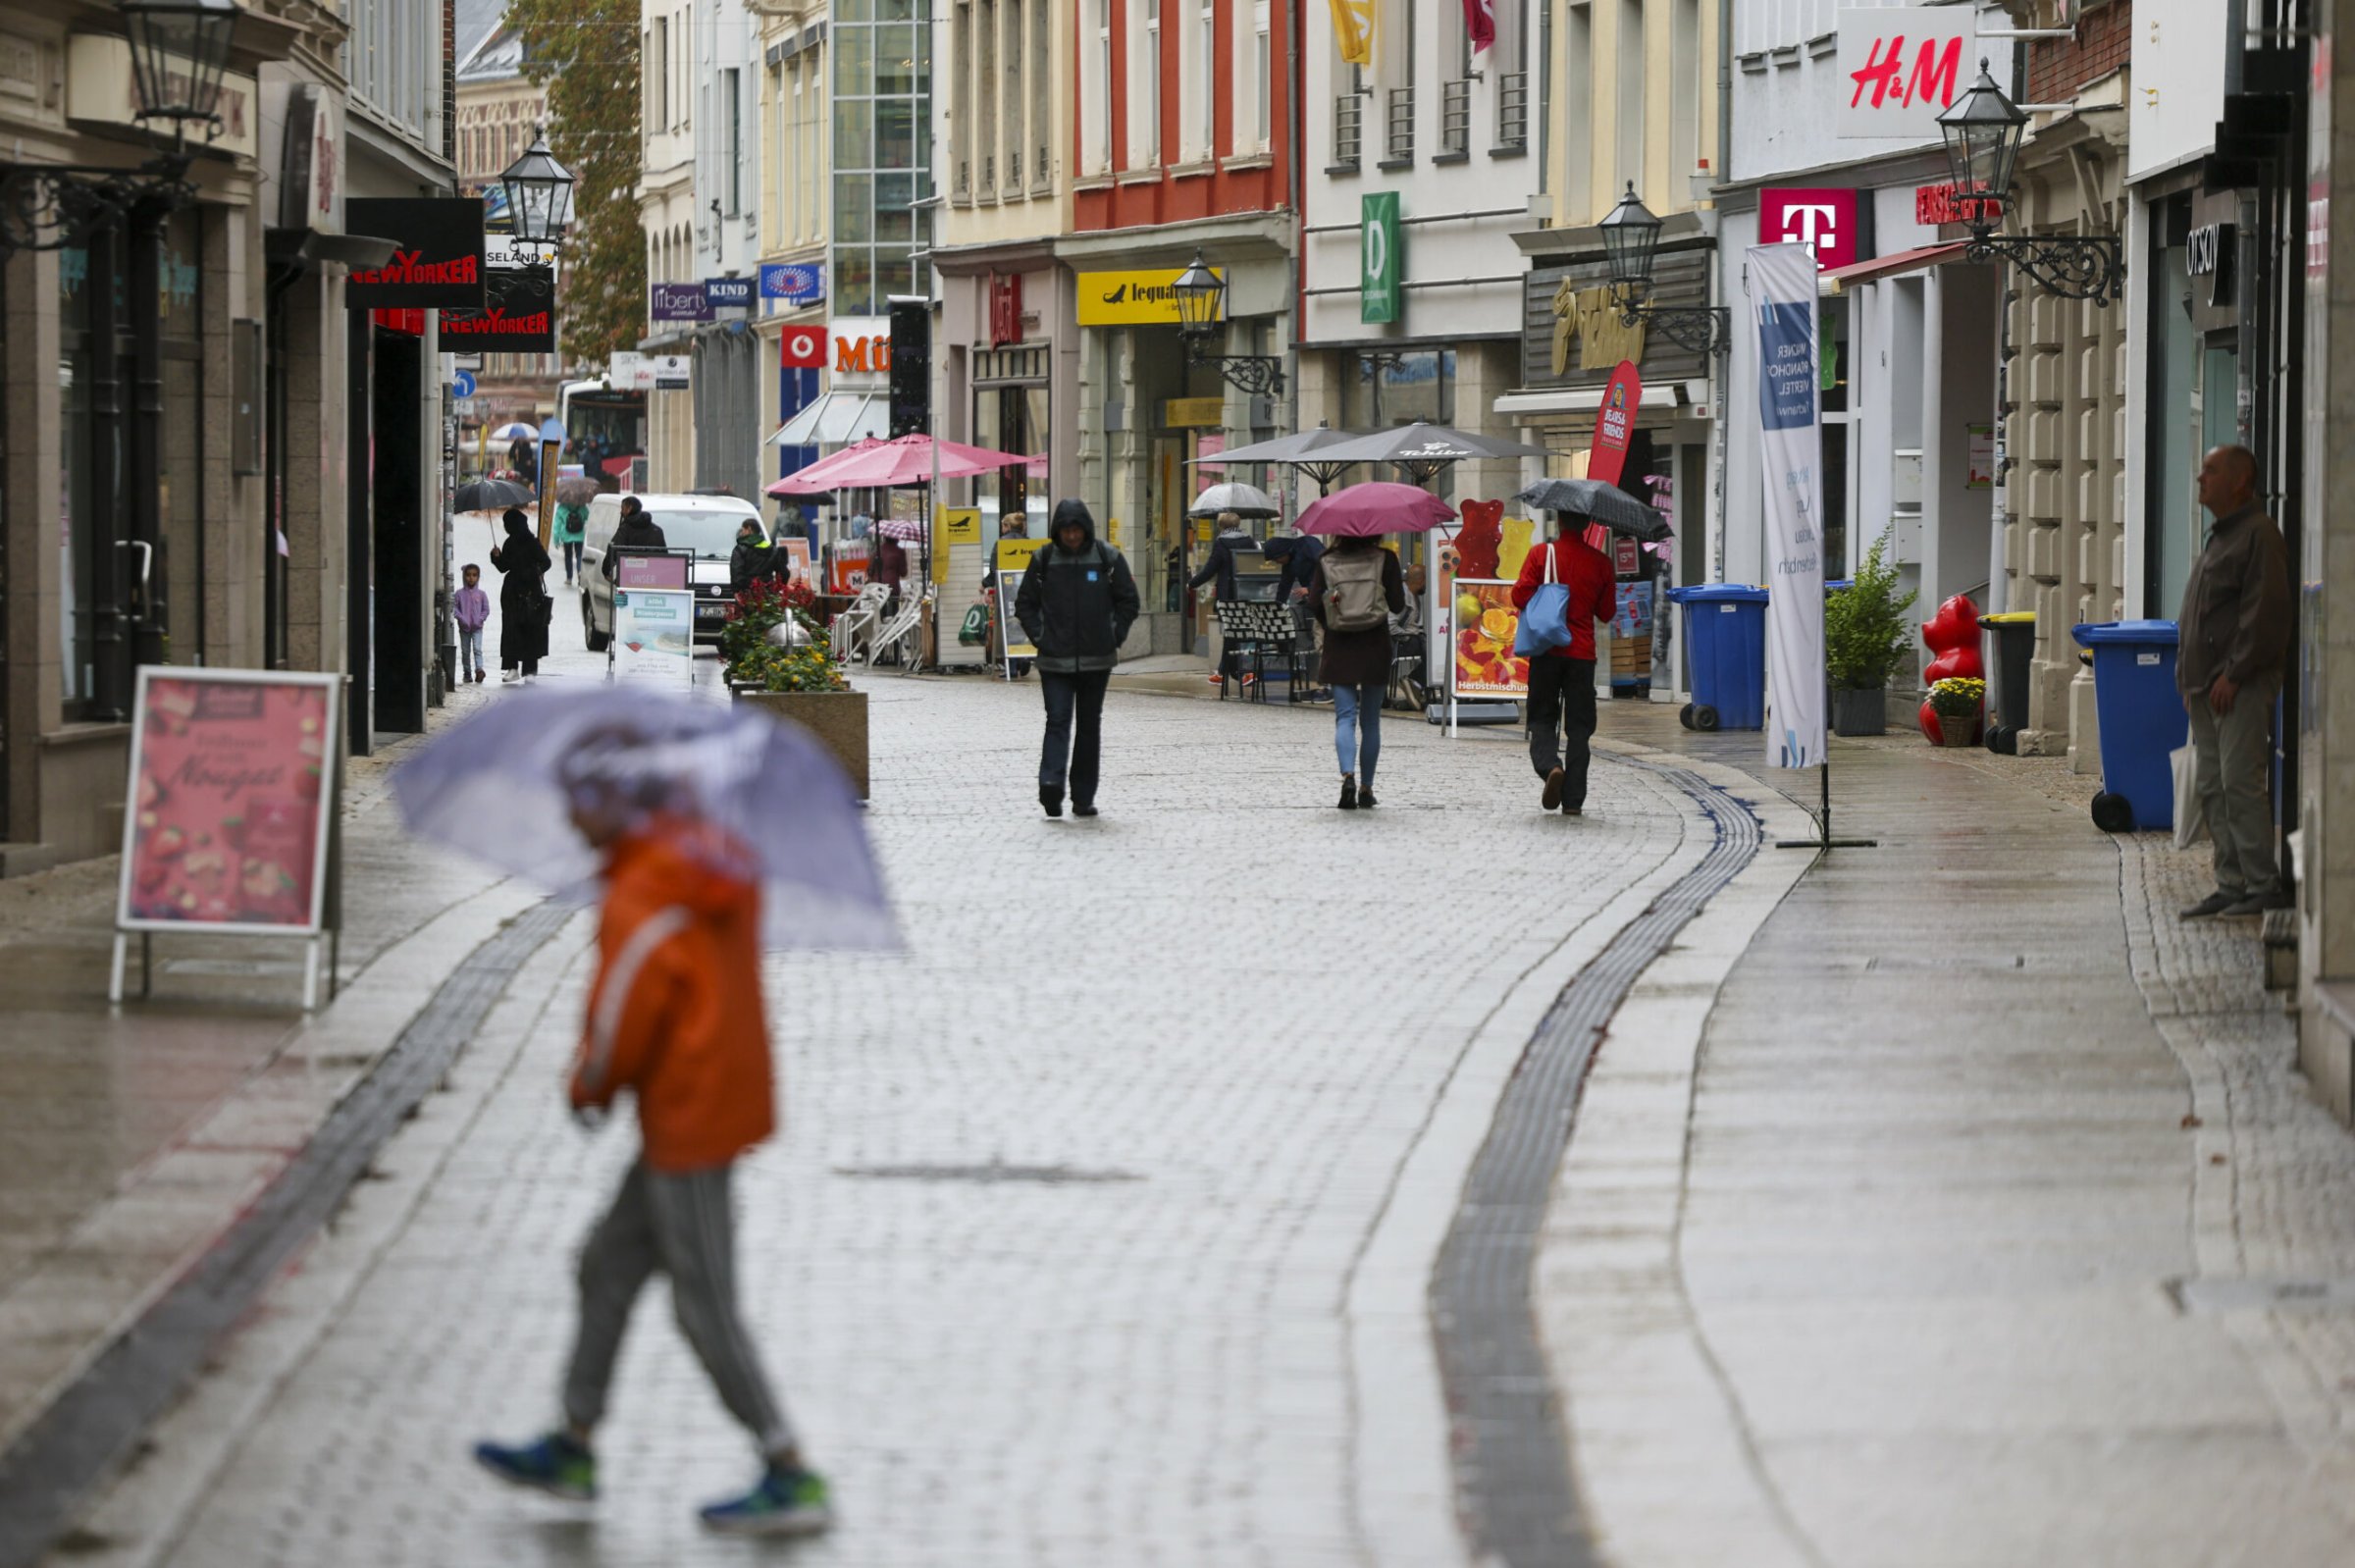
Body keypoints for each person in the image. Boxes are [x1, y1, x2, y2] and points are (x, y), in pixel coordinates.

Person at [472, 744, 830, 1538]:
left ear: (616, 797)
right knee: (606, 1264)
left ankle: (789, 1468)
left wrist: (589, 1082)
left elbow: (625, 1004)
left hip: (690, 1113)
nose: (568, 816)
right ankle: (574, 1442)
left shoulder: (648, 882)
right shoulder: (697, 855)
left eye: (579, 798)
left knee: (704, 1302)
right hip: (701, 1096)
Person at [2177, 444, 2294, 919]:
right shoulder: (2221, 536)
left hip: (2236, 684)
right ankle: (2231, 882)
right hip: (2207, 687)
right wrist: (2189, 679)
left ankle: (2262, 883)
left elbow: (2264, 614)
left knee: (2239, 782)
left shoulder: (2258, 535)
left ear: (2240, 482)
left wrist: (2234, 672)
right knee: (2212, 785)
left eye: (2211, 470)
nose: (2201, 478)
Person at [1015, 499, 1140, 818]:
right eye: (1067, 531)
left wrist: (1113, 636)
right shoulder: (1044, 559)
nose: (1072, 536)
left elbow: (1129, 600)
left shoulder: (1106, 558)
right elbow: (1025, 603)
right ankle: (1051, 786)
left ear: (1086, 529)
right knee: (1057, 720)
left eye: (1076, 530)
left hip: (1097, 660)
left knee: (1088, 726)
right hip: (1054, 660)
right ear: (1058, 531)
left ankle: (1083, 796)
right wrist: (1041, 637)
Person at [1510, 518, 1617, 815]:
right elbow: (1607, 612)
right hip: (1582, 655)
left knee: (1542, 718)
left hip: (1546, 651)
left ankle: (1550, 767)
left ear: (1558, 520)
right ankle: (1573, 801)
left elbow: (1518, 596)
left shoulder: (1541, 554)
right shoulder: (1601, 562)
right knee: (1580, 729)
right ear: (1585, 525)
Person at [1309, 534, 1406, 810]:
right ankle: (1367, 788)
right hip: (1374, 644)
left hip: (1340, 644)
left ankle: (1348, 776)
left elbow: (1314, 603)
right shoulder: (1385, 559)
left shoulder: (1326, 560)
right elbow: (1398, 605)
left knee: (1345, 717)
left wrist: (1334, 617)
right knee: (1371, 721)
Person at [1188, 512, 1257, 687]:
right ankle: (1228, 672)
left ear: (1221, 526)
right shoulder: (1249, 541)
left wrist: (1192, 583)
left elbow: (1210, 569)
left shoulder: (1221, 543)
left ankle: (1239, 672)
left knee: (1231, 633)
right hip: (1246, 594)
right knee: (1239, 633)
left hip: (1228, 596)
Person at [489, 508, 551, 683]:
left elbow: (546, 562)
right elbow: (504, 567)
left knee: (531, 630)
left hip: (531, 593)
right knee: (510, 631)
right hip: (512, 594)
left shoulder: (532, 543)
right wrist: (496, 557)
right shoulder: (509, 543)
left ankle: (530, 671)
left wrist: (531, 572)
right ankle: (512, 667)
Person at [602, 496, 668, 582]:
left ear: (629, 509)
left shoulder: (625, 529)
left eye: (623, 508)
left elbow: (614, 550)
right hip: (654, 578)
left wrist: (606, 571)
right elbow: (665, 556)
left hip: (630, 578)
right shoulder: (657, 530)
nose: (621, 512)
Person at [452, 563, 491, 685]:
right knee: (465, 651)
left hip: (477, 627)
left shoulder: (481, 594)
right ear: (464, 576)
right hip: (464, 628)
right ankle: (467, 673)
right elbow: (454, 608)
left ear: (478, 577)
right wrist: (461, 618)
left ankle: (479, 670)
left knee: (477, 649)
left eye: (474, 575)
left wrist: (481, 618)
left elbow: (486, 609)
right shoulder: (459, 594)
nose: (471, 578)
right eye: (468, 575)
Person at [729, 517, 779, 595]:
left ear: (749, 529)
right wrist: (777, 589)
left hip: (748, 594)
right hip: (768, 594)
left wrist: (737, 591)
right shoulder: (771, 549)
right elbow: (784, 572)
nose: (741, 533)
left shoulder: (740, 549)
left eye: (743, 530)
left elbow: (736, 572)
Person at [554, 496, 589, 585]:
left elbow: (557, 525)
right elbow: (587, 516)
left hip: (566, 536)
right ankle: (580, 571)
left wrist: (556, 539)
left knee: (568, 556)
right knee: (579, 555)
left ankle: (569, 578)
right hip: (579, 535)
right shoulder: (582, 506)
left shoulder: (562, 507)